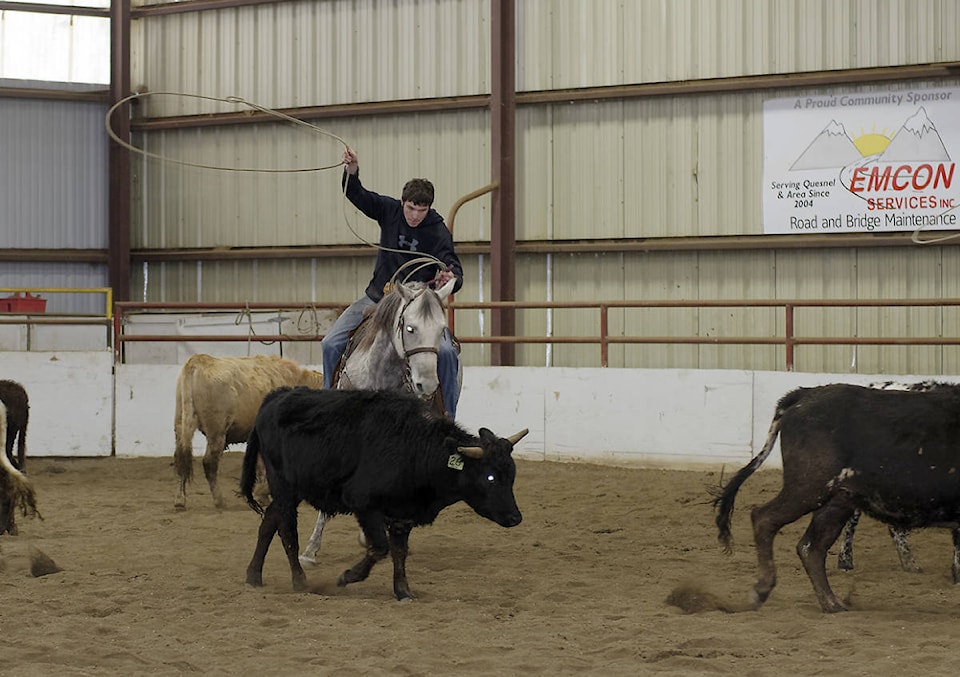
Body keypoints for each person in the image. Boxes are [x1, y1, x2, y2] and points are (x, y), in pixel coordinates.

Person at [321, 147, 464, 418]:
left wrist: (451, 276)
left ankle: (449, 419)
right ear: (402, 202)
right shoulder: (388, 210)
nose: (415, 216)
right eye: (411, 208)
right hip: (378, 296)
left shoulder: (437, 230)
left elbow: (454, 268)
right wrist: (352, 171)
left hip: (418, 304)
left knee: (446, 353)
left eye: (422, 210)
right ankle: (329, 403)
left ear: (429, 208)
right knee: (330, 343)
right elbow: (358, 195)